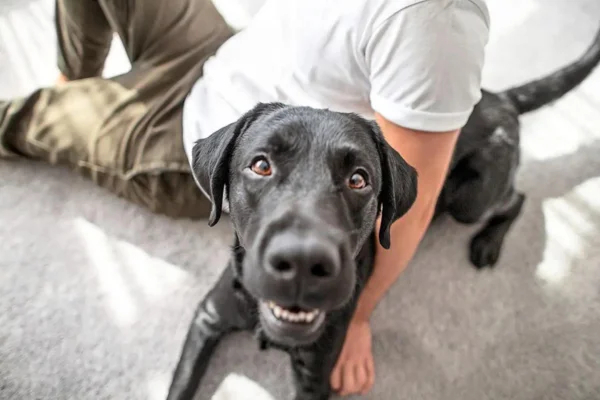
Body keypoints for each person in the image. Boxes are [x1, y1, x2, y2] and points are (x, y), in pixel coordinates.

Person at [0, 0, 490, 396]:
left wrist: (359, 314)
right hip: (218, 55)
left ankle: (71, 107)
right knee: (66, 100)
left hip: (179, 135)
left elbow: (416, 197)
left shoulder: (433, 21)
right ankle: (77, 84)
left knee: (22, 119)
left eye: (357, 181)